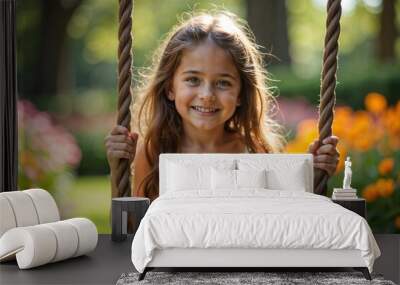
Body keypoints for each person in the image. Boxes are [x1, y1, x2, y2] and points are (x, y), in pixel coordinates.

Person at [105, 11, 340, 201]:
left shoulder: (253, 150)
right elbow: (131, 230)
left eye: (223, 83)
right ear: (170, 87)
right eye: (193, 79)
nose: (207, 95)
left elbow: (283, 218)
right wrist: (118, 169)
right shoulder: (153, 151)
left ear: (240, 94)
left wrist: (311, 173)